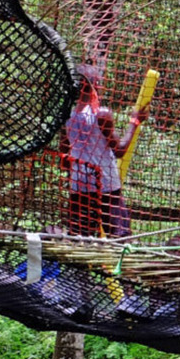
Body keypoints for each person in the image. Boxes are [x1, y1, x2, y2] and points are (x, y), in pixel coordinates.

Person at [61, 64, 140, 238]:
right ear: (95, 84)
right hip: (106, 186)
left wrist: (74, 175)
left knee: (80, 238)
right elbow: (120, 150)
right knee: (120, 237)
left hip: (79, 187)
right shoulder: (101, 114)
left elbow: (64, 154)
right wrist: (135, 122)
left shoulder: (67, 116)